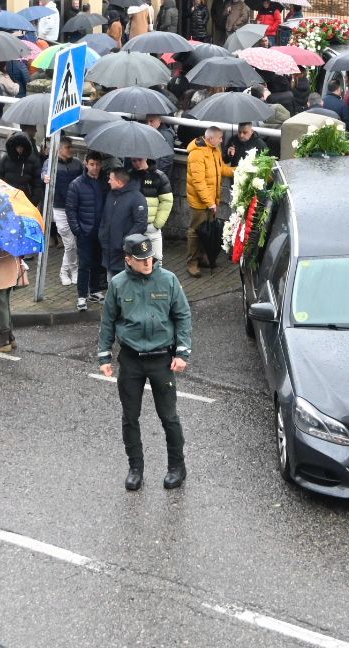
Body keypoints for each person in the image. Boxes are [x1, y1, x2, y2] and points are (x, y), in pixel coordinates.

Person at [97, 233, 192, 491]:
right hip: (131, 360)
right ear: (128, 260)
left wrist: (182, 353)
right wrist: (104, 355)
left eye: (150, 257)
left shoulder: (168, 280)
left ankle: (177, 467)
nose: (147, 263)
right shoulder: (118, 285)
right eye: (141, 259)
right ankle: (135, 469)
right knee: (130, 417)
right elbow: (108, 322)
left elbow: (182, 316)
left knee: (169, 417)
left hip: (162, 359)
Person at [185, 126, 232, 278]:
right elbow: (198, 182)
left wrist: (240, 170)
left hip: (212, 200)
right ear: (211, 138)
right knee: (195, 231)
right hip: (201, 202)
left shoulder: (215, 150)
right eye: (220, 138)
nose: (221, 140)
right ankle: (192, 263)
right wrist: (209, 202)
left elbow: (221, 169)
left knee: (208, 231)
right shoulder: (197, 154)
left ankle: (203, 257)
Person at [65, 150, 110, 308]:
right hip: (85, 231)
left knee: (98, 262)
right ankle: (82, 296)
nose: (95, 167)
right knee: (84, 264)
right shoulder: (77, 184)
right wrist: (77, 229)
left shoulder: (106, 182)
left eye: (97, 164)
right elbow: (70, 210)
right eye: (92, 164)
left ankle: (95, 290)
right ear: (86, 164)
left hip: (101, 230)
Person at [99, 164, 149, 283]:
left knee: (125, 283)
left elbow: (141, 224)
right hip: (109, 250)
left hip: (124, 252)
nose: (108, 181)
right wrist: (102, 234)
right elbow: (105, 217)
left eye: (110, 179)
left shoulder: (137, 198)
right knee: (111, 281)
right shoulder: (111, 194)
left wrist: (125, 241)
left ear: (119, 182)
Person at [46, 136, 84, 287]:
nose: (71, 150)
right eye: (68, 147)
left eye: (71, 146)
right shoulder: (51, 163)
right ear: (60, 149)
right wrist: (45, 177)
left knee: (74, 242)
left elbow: (84, 180)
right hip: (60, 208)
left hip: (75, 208)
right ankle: (68, 271)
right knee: (70, 243)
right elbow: (44, 173)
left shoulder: (77, 164)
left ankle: (70, 271)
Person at [132, 156, 173, 261]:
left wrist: (157, 224)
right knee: (136, 261)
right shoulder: (130, 176)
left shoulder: (159, 177)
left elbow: (167, 201)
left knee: (157, 260)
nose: (137, 163)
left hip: (151, 228)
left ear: (146, 158)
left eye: (139, 159)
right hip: (134, 227)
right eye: (134, 161)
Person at [0, 132, 44, 207]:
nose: (20, 149)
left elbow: (37, 184)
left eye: (22, 147)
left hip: (26, 201)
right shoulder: (5, 159)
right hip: (7, 198)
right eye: (18, 147)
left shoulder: (34, 161)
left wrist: (33, 202)